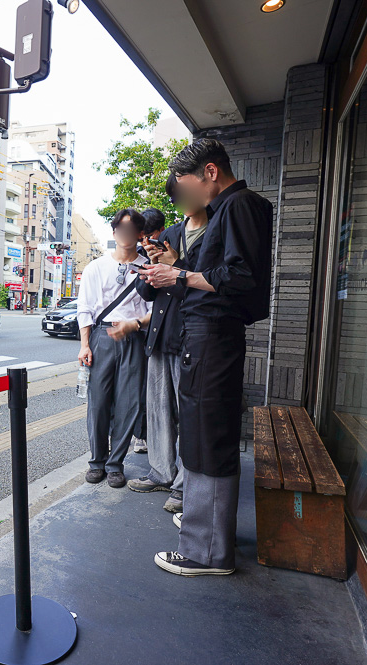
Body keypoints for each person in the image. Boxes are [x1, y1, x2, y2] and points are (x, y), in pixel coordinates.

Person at [139, 139, 272, 576]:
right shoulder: (227, 210)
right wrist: (176, 272)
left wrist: (180, 273)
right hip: (205, 337)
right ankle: (205, 527)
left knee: (207, 434)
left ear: (210, 172)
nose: (184, 198)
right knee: (200, 432)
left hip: (213, 337)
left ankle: (206, 551)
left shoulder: (239, 206)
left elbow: (241, 279)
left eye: (186, 186)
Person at [129, 178, 209, 514]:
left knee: (186, 414)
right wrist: (149, 266)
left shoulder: (213, 234)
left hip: (191, 336)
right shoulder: (171, 233)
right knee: (158, 410)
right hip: (160, 335)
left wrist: (176, 266)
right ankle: (162, 471)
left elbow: (209, 286)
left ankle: (183, 485)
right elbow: (146, 292)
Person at [77, 209, 153, 489]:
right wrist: (85, 344)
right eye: (121, 230)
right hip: (102, 336)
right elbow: (84, 308)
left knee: (129, 404)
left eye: (132, 231)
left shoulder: (148, 268)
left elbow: (155, 312)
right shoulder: (95, 267)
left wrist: (133, 324)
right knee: (98, 403)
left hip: (134, 338)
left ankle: (115, 465)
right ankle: (97, 461)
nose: (126, 236)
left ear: (140, 235)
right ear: (114, 233)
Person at [131, 207, 168, 455]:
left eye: (148, 236)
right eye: (140, 237)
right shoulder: (135, 256)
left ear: (160, 232)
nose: (144, 242)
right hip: (137, 330)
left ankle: (148, 435)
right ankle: (138, 433)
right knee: (136, 387)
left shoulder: (170, 254)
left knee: (155, 389)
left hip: (159, 330)